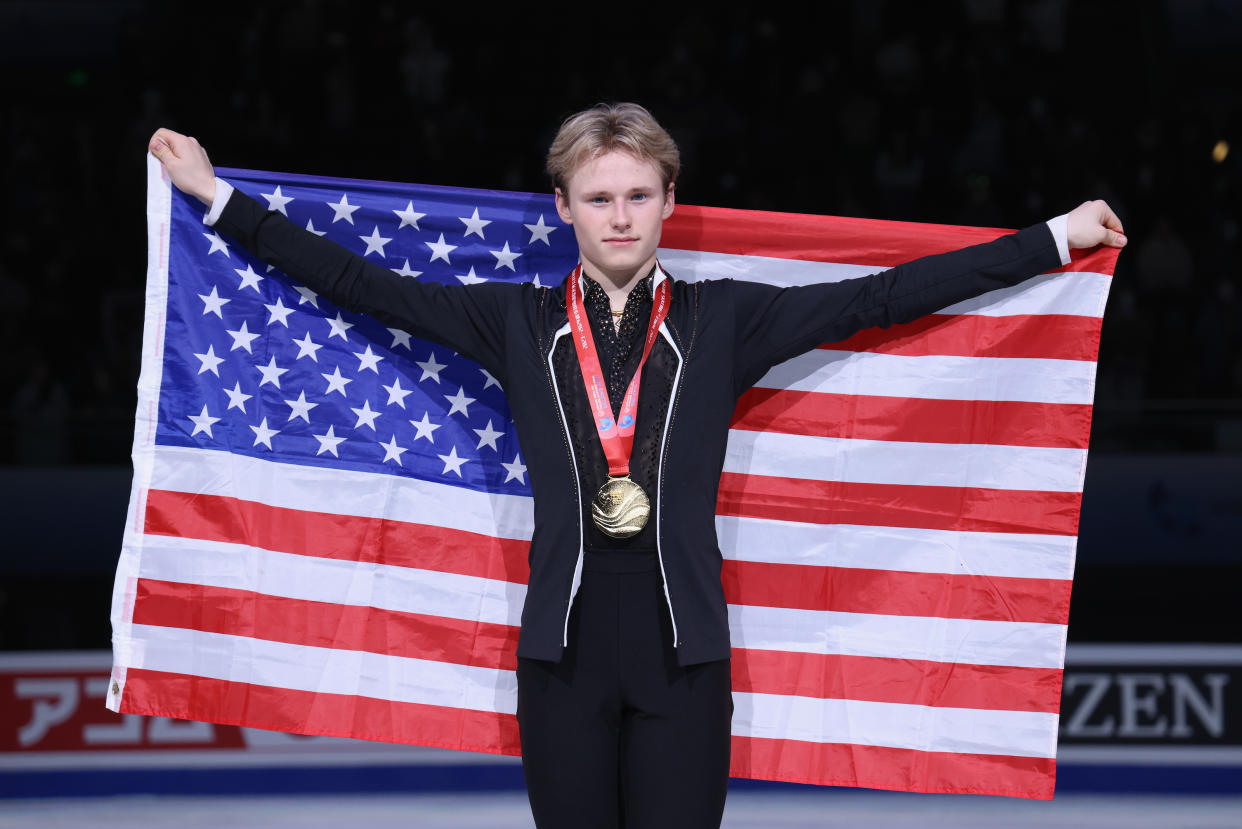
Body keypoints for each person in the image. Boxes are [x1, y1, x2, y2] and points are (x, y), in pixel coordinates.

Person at [148, 103, 1125, 829]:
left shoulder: (729, 319)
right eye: (600, 197)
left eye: (639, 196)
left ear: (668, 201)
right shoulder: (516, 322)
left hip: (682, 661)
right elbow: (363, 284)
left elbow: (887, 295)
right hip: (561, 662)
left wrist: (1051, 239)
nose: (621, 217)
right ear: (565, 206)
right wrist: (216, 198)